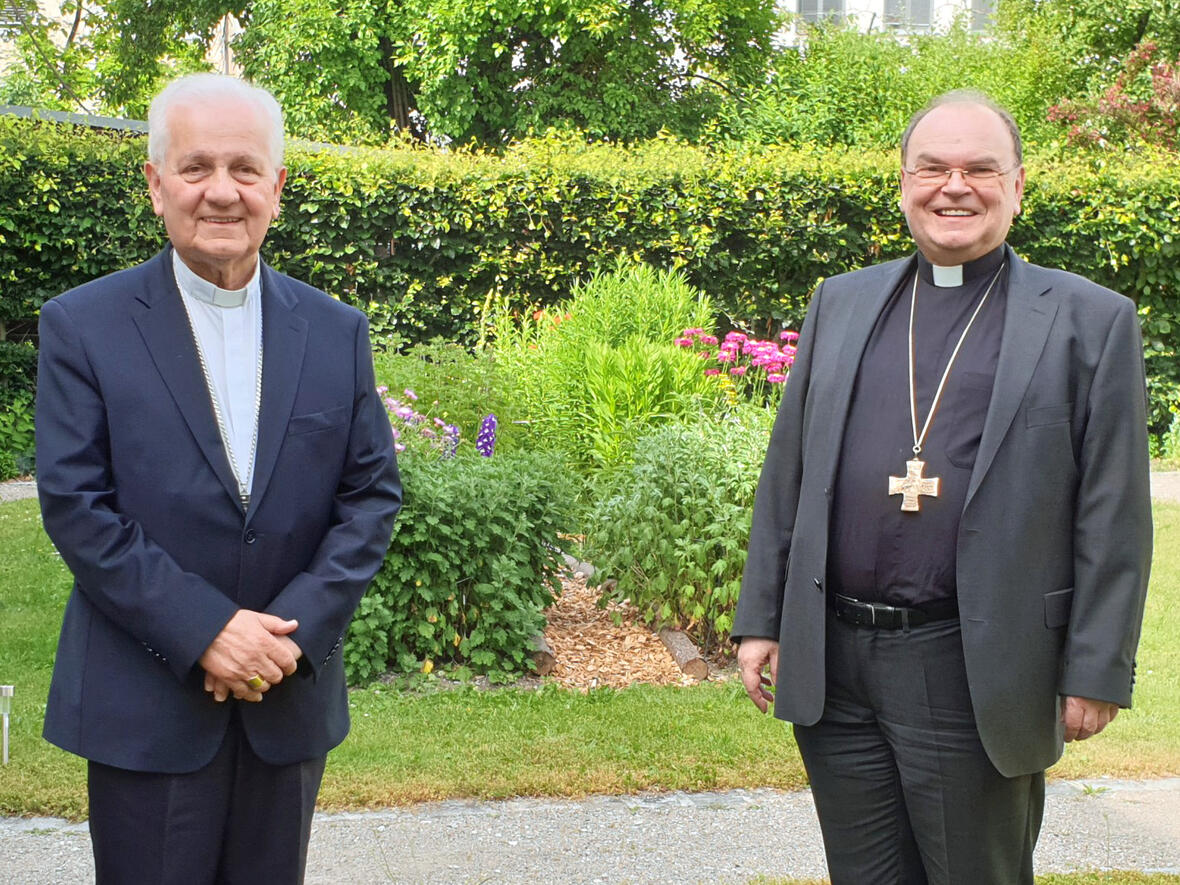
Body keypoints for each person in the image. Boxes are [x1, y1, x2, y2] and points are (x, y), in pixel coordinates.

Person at [733, 90, 1152, 884]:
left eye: (979, 169)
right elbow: (788, 472)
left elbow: (1114, 512)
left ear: (1018, 185)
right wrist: (763, 617)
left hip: (975, 664)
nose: (953, 186)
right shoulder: (842, 301)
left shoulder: (1090, 321)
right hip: (837, 664)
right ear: (903, 184)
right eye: (932, 168)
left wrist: (1095, 669)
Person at [35, 73, 401, 884]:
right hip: (145, 708)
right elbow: (76, 504)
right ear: (155, 184)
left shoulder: (337, 332)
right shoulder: (82, 326)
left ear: (277, 185)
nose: (222, 192)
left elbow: (370, 496)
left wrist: (284, 637)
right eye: (196, 167)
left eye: (244, 169)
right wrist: (205, 628)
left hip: (286, 700)